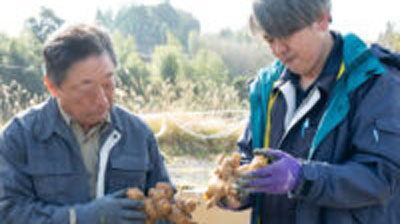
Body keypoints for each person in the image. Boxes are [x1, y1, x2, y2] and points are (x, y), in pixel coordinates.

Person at [222, 0, 400, 223]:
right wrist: (236, 188)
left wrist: (302, 178)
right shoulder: (266, 87)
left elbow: (382, 176)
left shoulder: (376, 82)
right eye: (269, 39)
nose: (278, 50)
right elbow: (249, 157)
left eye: (286, 34)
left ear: (322, 20)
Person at [0, 24, 172, 224]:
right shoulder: (19, 137)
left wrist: (160, 215)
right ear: (52, 87)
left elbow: (168, 204)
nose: (102, 101)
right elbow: (8, 213)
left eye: (108, 84)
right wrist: (81, 217)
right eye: (87, 90)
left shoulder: (138, 134)